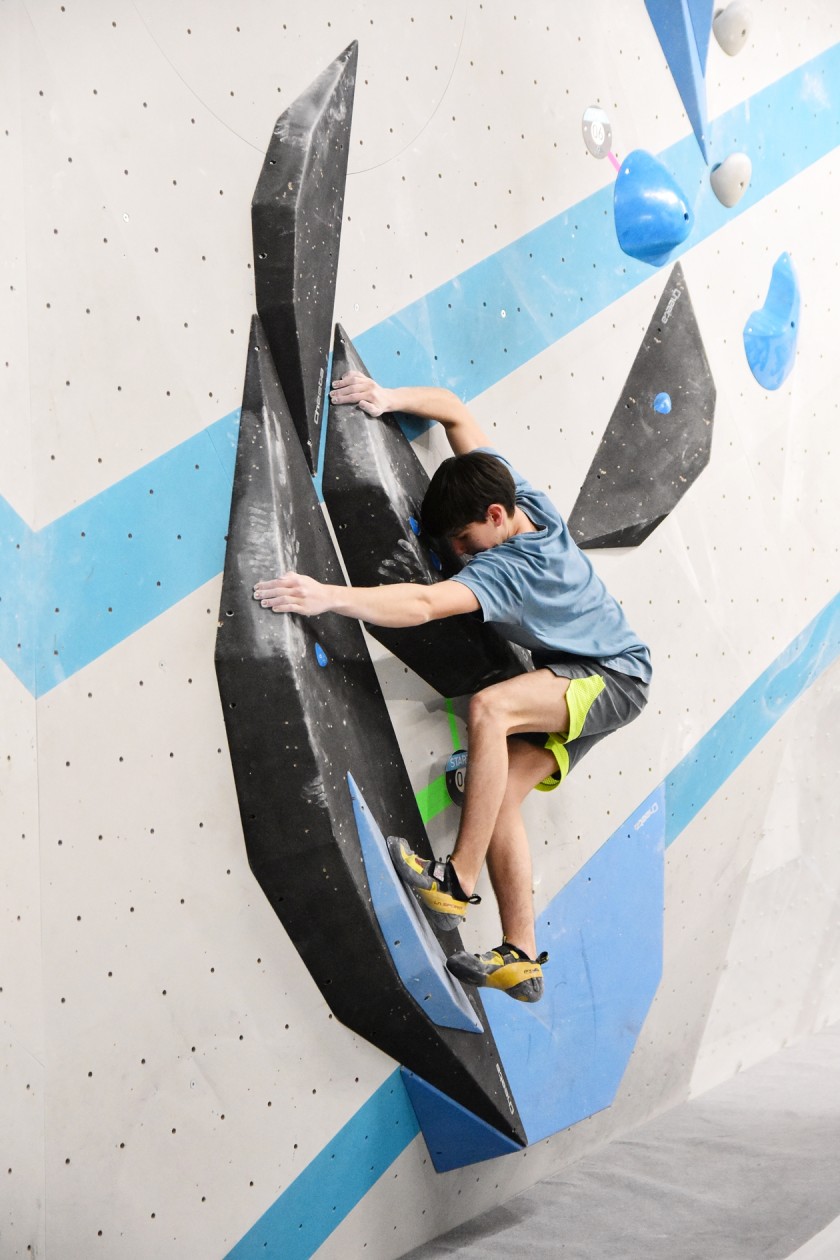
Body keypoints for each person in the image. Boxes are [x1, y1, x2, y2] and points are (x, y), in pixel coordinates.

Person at [253, 372, 651, 1004]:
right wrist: (386, 398)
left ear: (493, 518)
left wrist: (327, 596)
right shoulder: (521, 501)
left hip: (611, 677)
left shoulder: (511, 569)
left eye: (465, 541)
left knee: (491, 708)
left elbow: (421, 602)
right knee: (497, 797)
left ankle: (456, 880)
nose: (462, 555)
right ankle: (520, 955)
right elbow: (455, 413)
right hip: (596, 676)